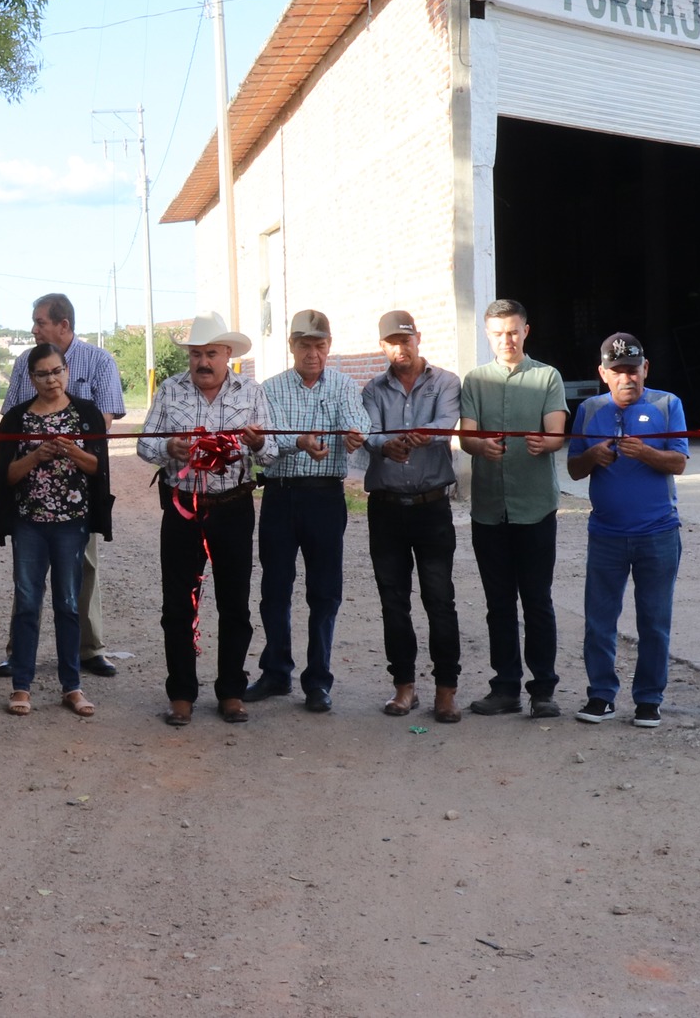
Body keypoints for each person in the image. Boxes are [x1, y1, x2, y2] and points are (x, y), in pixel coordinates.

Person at [136, 311, 274, 727]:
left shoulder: (251, 392)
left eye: (211, 353)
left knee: (235, 604)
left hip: (233, 507)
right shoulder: (170, 390)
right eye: (196, 354)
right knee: (177, 604)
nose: (202, 362)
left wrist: (260, 443)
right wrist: (169, 450)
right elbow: (144, 446)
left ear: (227, 354)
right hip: (182, 509)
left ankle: (231, 691)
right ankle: (181, 694)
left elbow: (272, 453)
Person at [0, 293, 127, 680]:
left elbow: (102, 420)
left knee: (82, 569)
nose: (34, 329)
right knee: (27, 579)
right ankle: (19, 655)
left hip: (78, 488)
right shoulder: (26, 361)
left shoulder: (100, 361)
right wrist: (37, 449)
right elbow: (13, 415)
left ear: (64, 325)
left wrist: (72, 443)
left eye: (40, 322)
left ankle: (89, 650)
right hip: (31, 491)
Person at [248, 310, 368, 713]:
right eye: (304, 345)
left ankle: (318, 680)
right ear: (291, 346)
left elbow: (357, 425)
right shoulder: (269, 389)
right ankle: (276, 671)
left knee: (325, 592)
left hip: (325, 497)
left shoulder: (345, 386)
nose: (312, 353)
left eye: (319, 345)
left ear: (329, 346)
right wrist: (297, 442)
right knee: (274, 589)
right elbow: (264, 444)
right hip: (280, 496)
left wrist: (353, 438)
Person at [567, 334, 689, 729]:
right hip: (606, 533)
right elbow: (573, 469)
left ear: (645, 369)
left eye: (633, 371)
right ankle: (601, 695)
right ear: (603, 374)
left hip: (658, 533)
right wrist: (592, 455)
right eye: (617, 372)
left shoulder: (667, 404)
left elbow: (679, 462)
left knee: (654, 621)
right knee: (599, 620)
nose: (626, 379)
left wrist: (648, 454)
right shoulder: (588, 409)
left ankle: (649, 700)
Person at [459, 298, 569, 720]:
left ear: (526, 331)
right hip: (489, 508)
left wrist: (547, 442)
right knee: (498, 603)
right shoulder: (475, 380)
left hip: (535, 506)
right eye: (498, 333)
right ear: (488, 335)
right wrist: (479, 445)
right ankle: (505, 687)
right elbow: (466, 436)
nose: (506, 339)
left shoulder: (547, 377)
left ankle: (543, 689)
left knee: (537, 600)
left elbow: (556, 433)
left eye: (513, 331)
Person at [0, 343, 114, 718]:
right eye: (43, 374)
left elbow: (99, 468)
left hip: (72, 523)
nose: (52, 380)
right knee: (27, 603)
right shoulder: (16, 419)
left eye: (57, 371)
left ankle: (71, 686)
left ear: (67, 371)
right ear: (31, 379)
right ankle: (21, 686)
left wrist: (72, 451)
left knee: (69, 603)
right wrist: (36, 456)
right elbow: (5, 477)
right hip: (29, 522)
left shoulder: (86, 413)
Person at [361, 310, 465, 722]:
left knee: (440, 600)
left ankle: (446, 691)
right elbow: (367, 432)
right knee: (393, 602)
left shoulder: (445, 382)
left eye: (405, 340)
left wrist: (412, 439)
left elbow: (445, 423)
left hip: (432, 507)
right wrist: (387, 445)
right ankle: (404, 688)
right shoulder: (372, 389)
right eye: (391, 342)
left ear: (418, 338)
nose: (399, 348)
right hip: (385, 509)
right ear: (382, 346)